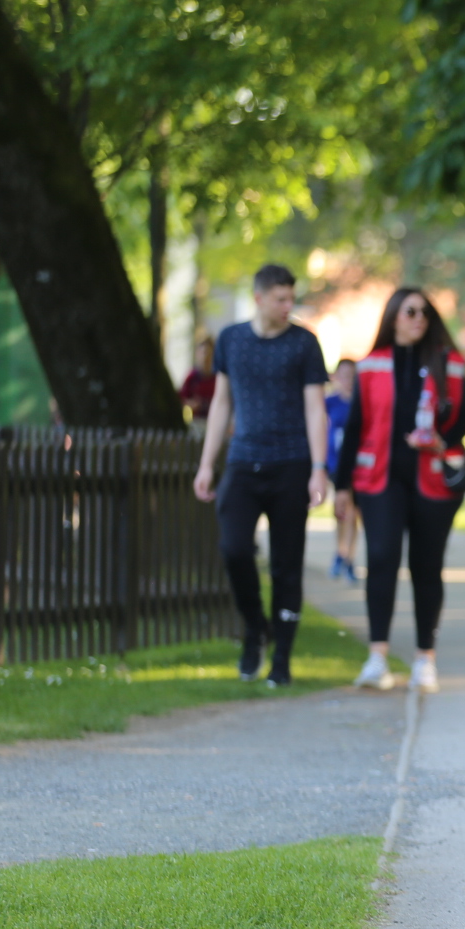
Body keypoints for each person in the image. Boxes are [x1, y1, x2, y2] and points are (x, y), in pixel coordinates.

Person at [191, 264, 331, 685]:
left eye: (291, 298)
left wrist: (319, 469)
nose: (288, 305)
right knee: (234, 549)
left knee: (287, 565)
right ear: (258, 298)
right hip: (243, 462)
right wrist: (206, 463)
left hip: (292, 464)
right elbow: (221, 403)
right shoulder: (231, 340)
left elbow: (315, 409)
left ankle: (282, 657)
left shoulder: (304, 343)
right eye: (280, 299)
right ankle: (255, 629)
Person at [336, 288, 465, 695]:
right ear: (394, 317)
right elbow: (356, 428)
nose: (419, 319)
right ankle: (377, 658)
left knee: (426, 567)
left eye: (425, 312)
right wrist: (342, 485)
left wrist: (439, 438)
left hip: (433, 482)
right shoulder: (371, 365)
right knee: (381, 558)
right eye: (410, 311)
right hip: (380, 481)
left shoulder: (449, 363)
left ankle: (424, 659)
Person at [326, 359, 360, 585]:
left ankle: (347, 557)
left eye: (352, 375)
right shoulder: (329, 402)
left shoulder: (361, 402)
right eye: (344, 375)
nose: (348, 380)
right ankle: (341, 553)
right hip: (335, 465)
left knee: (352, 513)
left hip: (358, 466)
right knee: (342, 512)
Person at [178, 338, 217, 422]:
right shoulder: (192, 377)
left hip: (214, 421)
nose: (205, 357)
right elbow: (181, 400)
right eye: (202, 353)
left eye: (208, 353)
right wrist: (191, 404)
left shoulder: (218, 378)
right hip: (195, 421)